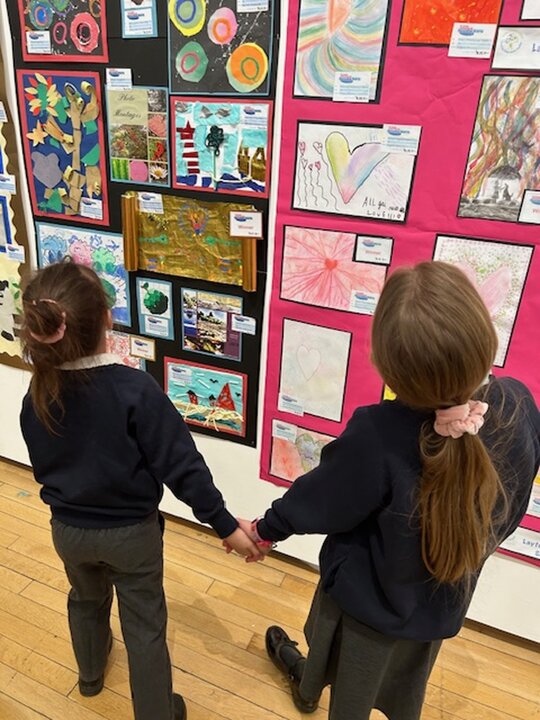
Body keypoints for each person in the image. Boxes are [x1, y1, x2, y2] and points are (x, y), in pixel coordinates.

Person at [233, 261, 540, 720]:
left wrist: (263, 531)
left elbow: (319, 501)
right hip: (440, 604)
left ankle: (308, 688)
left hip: (367, 610)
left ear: (387, 367)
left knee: (349, 694)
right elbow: (509, 506)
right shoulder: (517, 403)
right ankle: (312, 687)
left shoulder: (378, 434)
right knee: (402, 688)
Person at [19, 261, 262, 720]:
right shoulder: (135, 390)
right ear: (107, 320)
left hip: (68, 531)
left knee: (85, 599)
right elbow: (183, 468)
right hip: (131, 536)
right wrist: (225, 525)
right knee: (144, 625)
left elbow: (44, 467)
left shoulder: (36, 396)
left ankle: (90, 676)